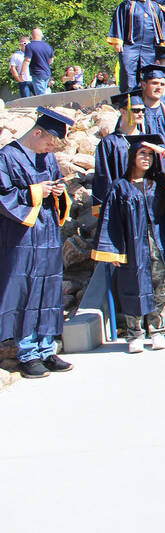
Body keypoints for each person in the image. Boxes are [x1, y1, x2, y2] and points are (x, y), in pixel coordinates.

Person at [91, 135, 165, 353]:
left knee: (159, 291)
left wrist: (162, 152)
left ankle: (158, 331)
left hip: (158, 247)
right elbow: (110, 222)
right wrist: (114, 252)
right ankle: (135, 334)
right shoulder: (120, 187)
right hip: (132, 250)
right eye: (142, 153)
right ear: (132, 156)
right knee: (132, 289)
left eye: (150, 155)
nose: (146, 158)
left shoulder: (159, 183)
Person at [1, 107, 74, 379]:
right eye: (48, 142)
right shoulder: (7, 157)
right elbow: (3, 196)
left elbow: (57, 183)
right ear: (37, 131)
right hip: (21, 235)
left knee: (49, 287)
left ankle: (46, 348)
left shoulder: (48, 157)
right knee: (26, 289)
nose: (49, 149)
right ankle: (27, 353)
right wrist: (36, 191)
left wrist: (56, 190)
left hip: (48, 233)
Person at [109, 0, 165, 90]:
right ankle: (128, 101)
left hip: (150, 47)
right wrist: (118, 41)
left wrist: (164, 45)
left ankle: (146, 101)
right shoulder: (126, 5)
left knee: (148, 75)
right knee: (128, 73)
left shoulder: (155, 7)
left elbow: (162, 26)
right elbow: (118, 22)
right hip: (130, 46)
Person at [21, 28, 54, 96]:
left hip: (37, 73)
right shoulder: (48, 46)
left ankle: (44, 106)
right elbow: (51, 61)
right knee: (45, 92)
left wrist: (21, 73)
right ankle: (46, 105)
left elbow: (27, 60)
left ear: (32, 36)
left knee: (40, 95)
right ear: (41, 35)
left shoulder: (29, 46)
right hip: (47, 73)